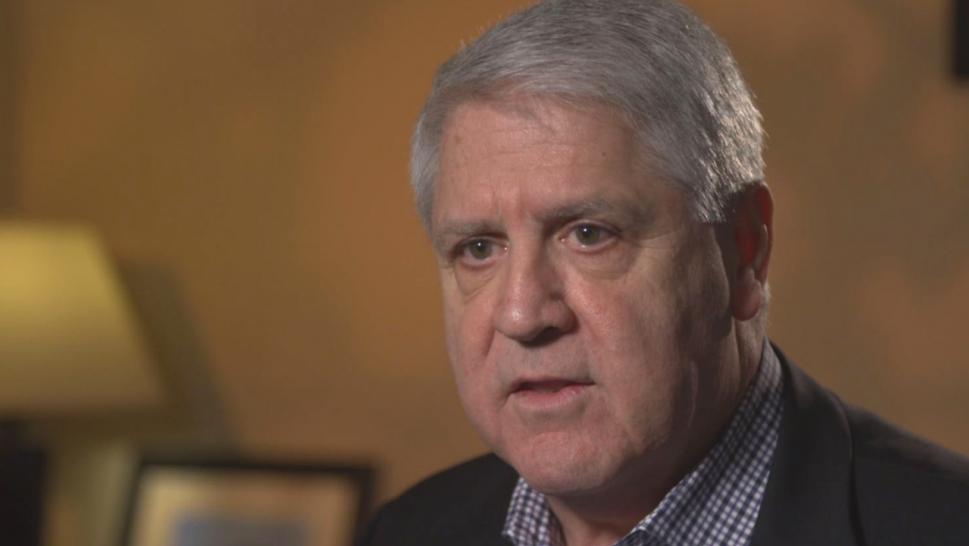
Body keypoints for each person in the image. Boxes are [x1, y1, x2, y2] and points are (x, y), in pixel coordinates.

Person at [359, 1, 969, 544]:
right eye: (478, 248)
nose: (522, 315)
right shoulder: (408, 530)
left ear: (745, 251)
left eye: (589, 234)